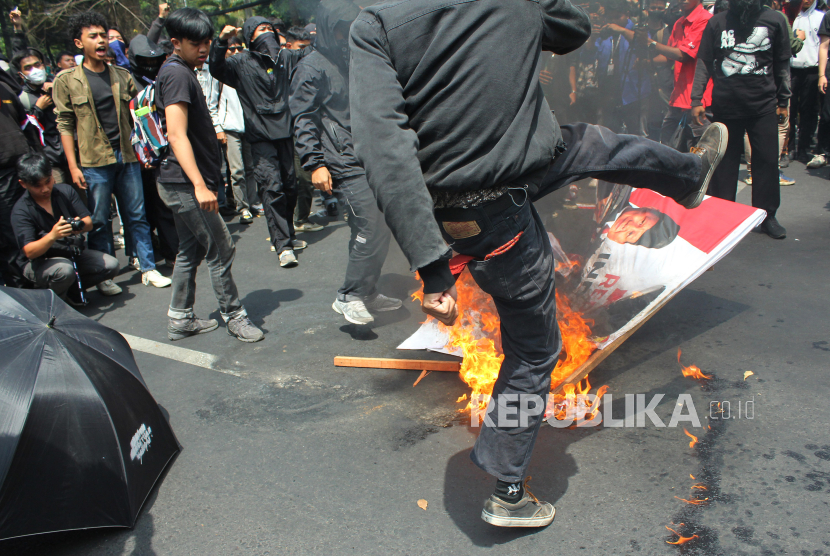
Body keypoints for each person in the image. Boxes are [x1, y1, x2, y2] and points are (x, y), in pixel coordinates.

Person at [350, 0, 726, 528]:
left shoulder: (376, 22)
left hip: (499, 178)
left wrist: (431, 261)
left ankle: (688, 176)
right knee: (532, 351)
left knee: (591, 142)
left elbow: (382, 144)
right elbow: (570, 27)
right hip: (489, 210)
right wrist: (434, 267)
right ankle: (507, 491)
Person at [155, 8, 264, 343]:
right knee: (222, 248)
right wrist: (200, 185)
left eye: (205, 42)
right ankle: (235, 315)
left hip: (181, 183)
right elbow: (176, 134)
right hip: (186, 185)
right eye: (194, 43)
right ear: (176, 42)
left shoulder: (183, 70)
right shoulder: (177, 74)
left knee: (191, 250)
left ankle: (180, 318)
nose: (202, 49)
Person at [290, 0, 401, 325]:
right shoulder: (311, 66)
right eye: (341, 30)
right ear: (327, 28)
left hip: (366, 154)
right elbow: (302, 118)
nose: (346, 36)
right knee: (370, 222)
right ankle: (349, 295)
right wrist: (314, 164)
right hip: (340, 161)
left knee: (376, 225)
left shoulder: (350, 58)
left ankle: (366, 291)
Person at [53, 11, 171, 291]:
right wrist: (73, 166)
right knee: (99, 219)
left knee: (137, 215)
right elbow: (65, 124)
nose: (100, 41)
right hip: (94, 160)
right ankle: (104, 277)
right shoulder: (67, 80)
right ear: (79, 43)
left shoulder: (121, 75)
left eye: (103, 35)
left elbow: (139, 116)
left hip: (127, 156)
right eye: (92, 36)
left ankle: (148, 267)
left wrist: (145, 152)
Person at [209, 18, 310, 268]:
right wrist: (221, 42)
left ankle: (288, 234)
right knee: (272, 186)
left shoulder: (286, 58)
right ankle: (282, 245)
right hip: (260, 135)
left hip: (286, 132)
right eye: (260, 30)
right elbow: (215, 68)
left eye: (269, 29)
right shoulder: (240, 62)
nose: (267, 34)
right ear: (250, 37)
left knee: (290, 185)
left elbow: (311, 54)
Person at [692, 0, 791, 239]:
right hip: (726, 107)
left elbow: (782, 63)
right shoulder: (717, 22)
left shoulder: (775, 20)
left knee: (766, 162)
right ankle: (723, 218)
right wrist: (697, 100)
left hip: (764, 106)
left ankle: (767, 217)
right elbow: (704, 61)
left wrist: (784, 101)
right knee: (724, 166)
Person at [11, 153, 119, 301]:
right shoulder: (21, 210)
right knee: (65, 270)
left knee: (111, 265)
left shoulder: (64, 192)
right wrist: (53, 235)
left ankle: (69, 291)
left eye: (48, 181)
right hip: (39, 262)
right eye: (37, 186)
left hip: (69, 252)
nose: (45, 189)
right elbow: (29, 252)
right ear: (23, 184)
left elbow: (88, 223)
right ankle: (52, 302)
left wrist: (75, 226)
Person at [643, 0, 714, 149]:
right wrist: (646, 62)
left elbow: (683, 55)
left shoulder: (705, 19)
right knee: (669, 145)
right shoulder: (679, 23)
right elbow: (669, 56)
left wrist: (651, 43)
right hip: (678, 98)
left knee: (699, 151)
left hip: (699, 99)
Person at [207, 35, 259, 225]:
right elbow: (211, 104)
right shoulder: (219, 74)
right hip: (230, 128)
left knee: (251, 168)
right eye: (232, 48)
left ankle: (253, 202)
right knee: (237, 171)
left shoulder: (246, 69)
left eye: (239, 48)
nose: (236, 52)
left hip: (248, 126)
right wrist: (218, 128)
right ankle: (242, 206)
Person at [0, 67, 41, 287]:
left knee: (28, 228)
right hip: (2, 176)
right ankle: (21, 291)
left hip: (21, 169)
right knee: (10, 238)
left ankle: (36, 287)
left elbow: (26, 127)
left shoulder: (5, 89)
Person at [12, 48, 70, 188]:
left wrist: (58, 89)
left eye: (37, 65)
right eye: (28, 68)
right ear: (21, 74)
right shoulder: (22, 98)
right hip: (49, 161)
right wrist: (37, 110)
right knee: (59, 196)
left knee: (83, 198)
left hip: (72, 154)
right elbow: (25, 132)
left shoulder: (58, 85)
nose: (35, 70)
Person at [790, 0, 824, 162]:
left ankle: (803, 148)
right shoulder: (790, 15)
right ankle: (788, 147)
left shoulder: (821, 17)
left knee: (808, 110)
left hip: (812, 69)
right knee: (789, 109)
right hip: (792, 68)